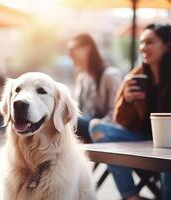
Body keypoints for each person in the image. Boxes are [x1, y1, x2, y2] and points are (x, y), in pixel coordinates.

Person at [89, 23, 171, 200]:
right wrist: (126, 100)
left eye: (149, 42)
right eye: (141, 42)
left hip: (169, 145)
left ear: (167, 45)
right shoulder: (135, 76)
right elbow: (122, 122)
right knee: (97, 127)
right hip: (143, 140)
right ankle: (131, 196)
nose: (143, 47)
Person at [68, 33, 122, 143]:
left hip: (105, 128)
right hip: (86, 126)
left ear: (87, 48)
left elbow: (117, 114)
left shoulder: (110, 75)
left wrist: (96, 124)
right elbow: (79, 110)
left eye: (73, 49)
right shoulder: (82, 77)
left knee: (72, 121)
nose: (70, 55)